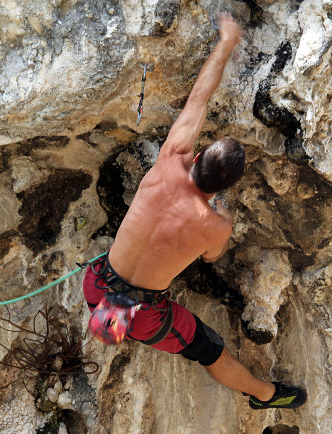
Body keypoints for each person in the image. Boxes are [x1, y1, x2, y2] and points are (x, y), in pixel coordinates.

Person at [84, 13, 307, 410]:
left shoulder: (169, 160)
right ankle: (268, 396)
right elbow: (211, 256)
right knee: (210, 350)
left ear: (198, 155)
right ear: (224, 189)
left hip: (97, 284)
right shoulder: (216, 225)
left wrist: (226, 41)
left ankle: (107, 328)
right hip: (146, 317)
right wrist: (218, 213)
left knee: (123, 294)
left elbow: (198, 99)